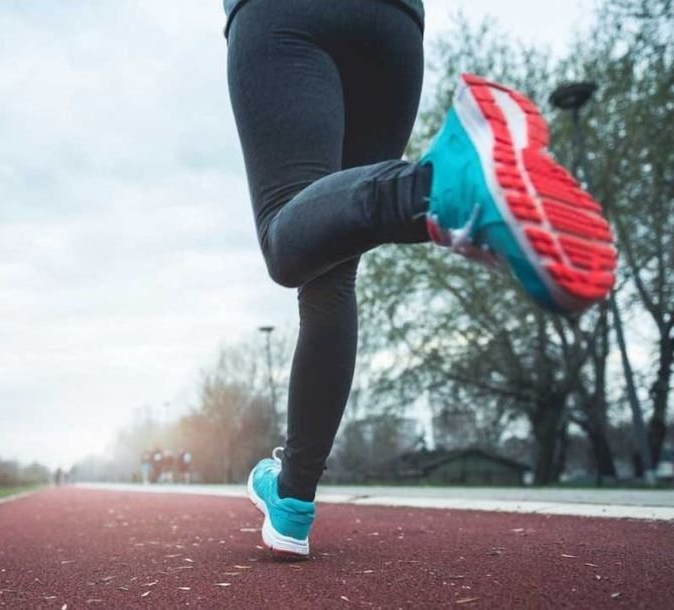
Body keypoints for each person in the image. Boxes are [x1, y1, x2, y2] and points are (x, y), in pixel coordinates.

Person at [223, 0, 616, 559]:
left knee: (286, 244)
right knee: (330, 265)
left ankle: (436, 186)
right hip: (392, 27)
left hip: (285, 17)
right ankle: (292, 497)